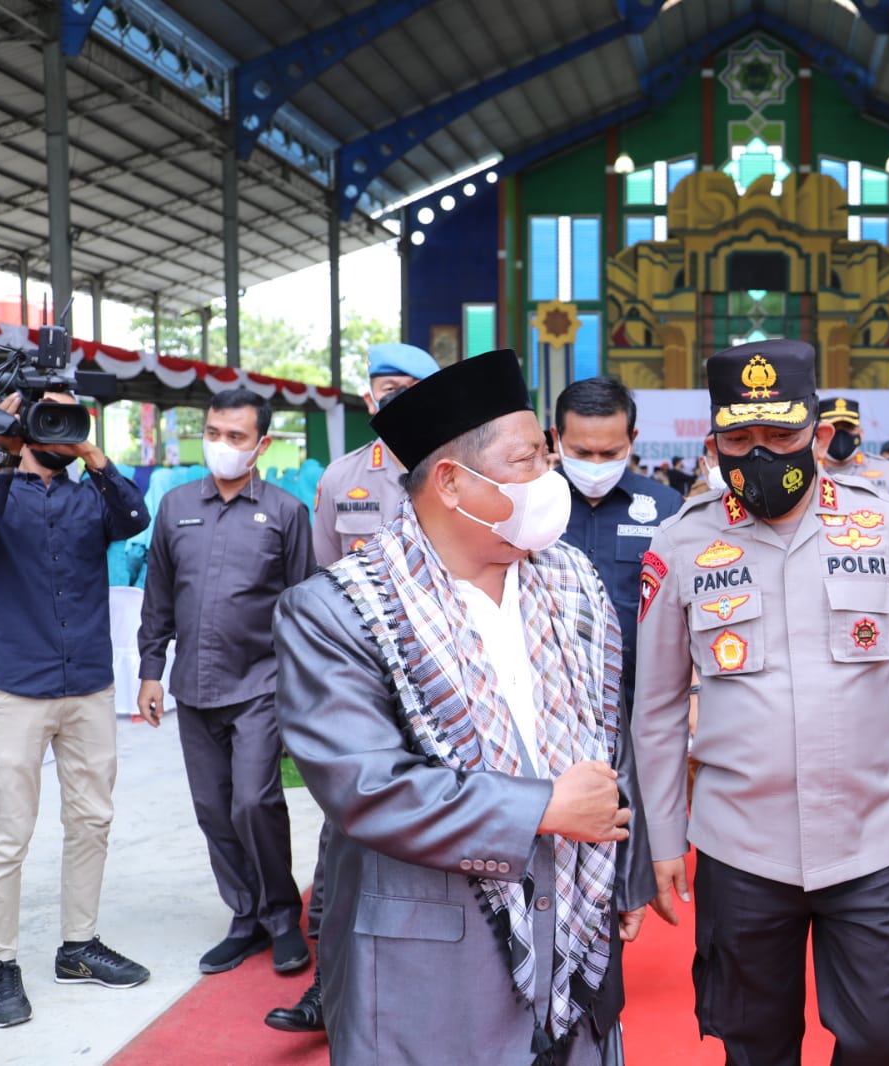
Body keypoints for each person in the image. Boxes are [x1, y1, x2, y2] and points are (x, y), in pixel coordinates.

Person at [273, 349, 651, 1063]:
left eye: (546, 456)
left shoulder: (571, 580)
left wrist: (625, 875)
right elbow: (366, 788)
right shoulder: (339, 610)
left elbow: (610, 734)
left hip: (578, 936)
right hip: (430, 976)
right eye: (527, 460)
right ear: (451, 483)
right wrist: (543, 808)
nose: (551, 478)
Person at [633, 339, 889, 1064]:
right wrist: (662, 836)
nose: (760, 455)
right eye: (739, 440)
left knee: (882, 1037)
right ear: (713, 441)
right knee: (754, 1042)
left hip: (871, 837)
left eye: (780, 436)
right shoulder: (681, 542)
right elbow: (656, 709)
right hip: (740, 845)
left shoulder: (884, 526)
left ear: (818, 433)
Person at [268, 342, 443, 1033]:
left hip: (447, 678)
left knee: (446, 821)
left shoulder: (458, 465)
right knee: (347, 827)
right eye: (380, 387)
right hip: (365, 682)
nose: (389, 398)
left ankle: (443, 986)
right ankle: (329, 984)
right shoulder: (343, 477)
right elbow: (324, 584)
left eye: (404, 386)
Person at [0, 391, 152, 1028]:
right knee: (6, 833)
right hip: (13, 688)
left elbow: (135, 518)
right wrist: (2, 454)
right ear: (22, 421)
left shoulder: (91, 497)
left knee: (91, 820)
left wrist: (93, 455)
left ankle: (78, 947)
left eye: (71, 416)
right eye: (48, 415)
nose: (61, 426)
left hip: (88, 688)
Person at [136, 388, 313, 977]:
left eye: (236, 436)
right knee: (213, 808)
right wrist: (151, 670)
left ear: (262, 444)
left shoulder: (287, 513)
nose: (221, 445)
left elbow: (303, 608)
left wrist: (302, 692)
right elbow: (159, 596)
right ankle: (245, 918)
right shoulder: (176, 506)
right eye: (213, 433)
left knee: (254, 802)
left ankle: (282, 919)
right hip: (193, 685)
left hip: (261, 684)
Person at [551, 376, 684, 717]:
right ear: (556, 438)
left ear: (632, 439)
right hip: (553, 699)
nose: (596, 465)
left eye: (610, 453)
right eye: (582, 453)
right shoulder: (534, 505)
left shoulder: (666, 507)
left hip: (641, 701)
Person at [311, 342, 441, 563]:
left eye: (417, 388)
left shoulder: (463, 472)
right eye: (390, 389)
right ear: (370, 401)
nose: (405, 398)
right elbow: (327, 569)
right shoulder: (339, 478)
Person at [818, 395, 889, 505]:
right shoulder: (809, 472)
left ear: (861, 434)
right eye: (833, 427)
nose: (841, 434)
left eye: (848, 427)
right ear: (819, 434)